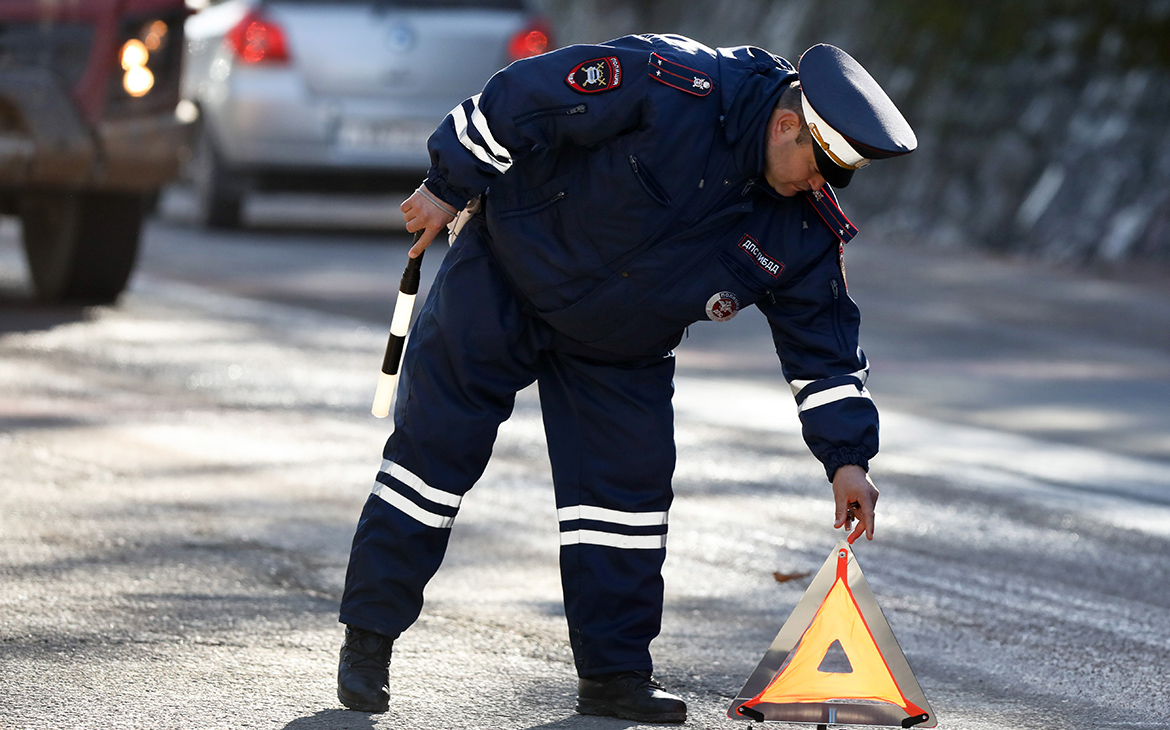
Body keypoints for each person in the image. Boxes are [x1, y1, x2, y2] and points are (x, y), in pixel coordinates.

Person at [336, 33, 916, 723]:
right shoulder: (673, 83)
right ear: (786, 123)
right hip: (504, 277)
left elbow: (825, 352)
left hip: (620, 347)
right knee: (429, 466)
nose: (818, 184)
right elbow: (524, 95)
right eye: (817, 166)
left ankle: (614, 679)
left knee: (625, 509)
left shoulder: (802, 227)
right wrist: (446, 184)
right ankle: (369, 640)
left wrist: (847, 460)